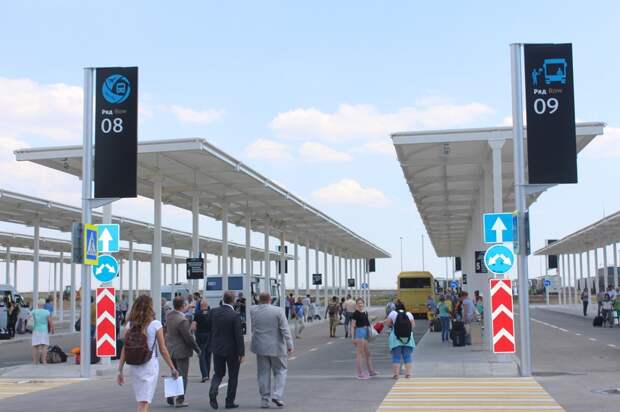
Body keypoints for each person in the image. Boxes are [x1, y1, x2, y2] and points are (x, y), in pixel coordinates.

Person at [117, 295, 179, 412]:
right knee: (144, 402)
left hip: (134, 366)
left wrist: (120, 371)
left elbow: (125, 349)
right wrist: (172, 368)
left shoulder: (130, 325)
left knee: (144, 400)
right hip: (149, 365)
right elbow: (163, 349)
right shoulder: (155, 324)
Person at [250, 292, 294, 408]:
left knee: (263, 373)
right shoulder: (278, 311)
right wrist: (290, 344)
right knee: (281, 370)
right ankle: (277, 395)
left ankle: (264, 400)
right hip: (276, 347)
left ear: (259, 300)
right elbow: (285, 329)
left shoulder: (253, 310)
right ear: (271, 300)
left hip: (260, 347)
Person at [209, 291, 245, 410]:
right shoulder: (235, 315)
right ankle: (229, 401)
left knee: (218, 373)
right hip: (232, 350)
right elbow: (238, 335)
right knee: (233, 376)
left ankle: (213, 390)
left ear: (223, 299)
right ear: (233, 301)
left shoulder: (213, 312)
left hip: (217, 348)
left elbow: (210, 328)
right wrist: (241, 353)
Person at [165, 296, 200, 408]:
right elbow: (188, 338)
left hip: (171, 349)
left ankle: (170, 396)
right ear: (183, 305)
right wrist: (197, 349)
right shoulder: (182, 321)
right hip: (181, 351)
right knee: (183, 376)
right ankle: (180, 400)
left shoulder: (169, 316)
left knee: (174, 373)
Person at [384, 304, 415, 379]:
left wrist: (393, 325)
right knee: (407, 357)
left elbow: (388, 324)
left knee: (396, 357)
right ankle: (408, 374)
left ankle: (396, 375)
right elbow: (413, 325)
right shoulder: (409, 314)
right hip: (408, 339)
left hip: (396, 338)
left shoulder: (393, 313)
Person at [350, 298, 378, 379]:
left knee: (367, 354)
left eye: (361, 303)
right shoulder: (355, 314)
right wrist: (353, 338)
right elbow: (352, 326)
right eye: (358, 303)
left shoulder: (365, 312)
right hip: (359, 332)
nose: (360, 304)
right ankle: (360, 373)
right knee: (360, 354)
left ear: (363, 304)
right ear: (356, 304)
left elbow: (367, 323)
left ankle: (371, 371)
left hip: (365, 332)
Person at [192, 298, 212, 383]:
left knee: (201, 355)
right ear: (207, 305)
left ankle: (204, 375)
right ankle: (208, 374)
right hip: (210, 336)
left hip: (200, 336)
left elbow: (193, 327)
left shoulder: (197, 314)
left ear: (200, 306)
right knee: (208, 355)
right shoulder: (211, 313)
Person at [31, 299, 53, 363]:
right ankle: (44, 361)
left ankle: (34, 361)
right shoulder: (46, 312)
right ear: (44, 305)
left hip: (35, 330)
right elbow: (50, 321)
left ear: (38, 304)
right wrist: (52, 328)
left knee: (35, 346)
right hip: (44, 330)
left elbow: (30, 319)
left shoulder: (34, 311)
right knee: (44, 345)